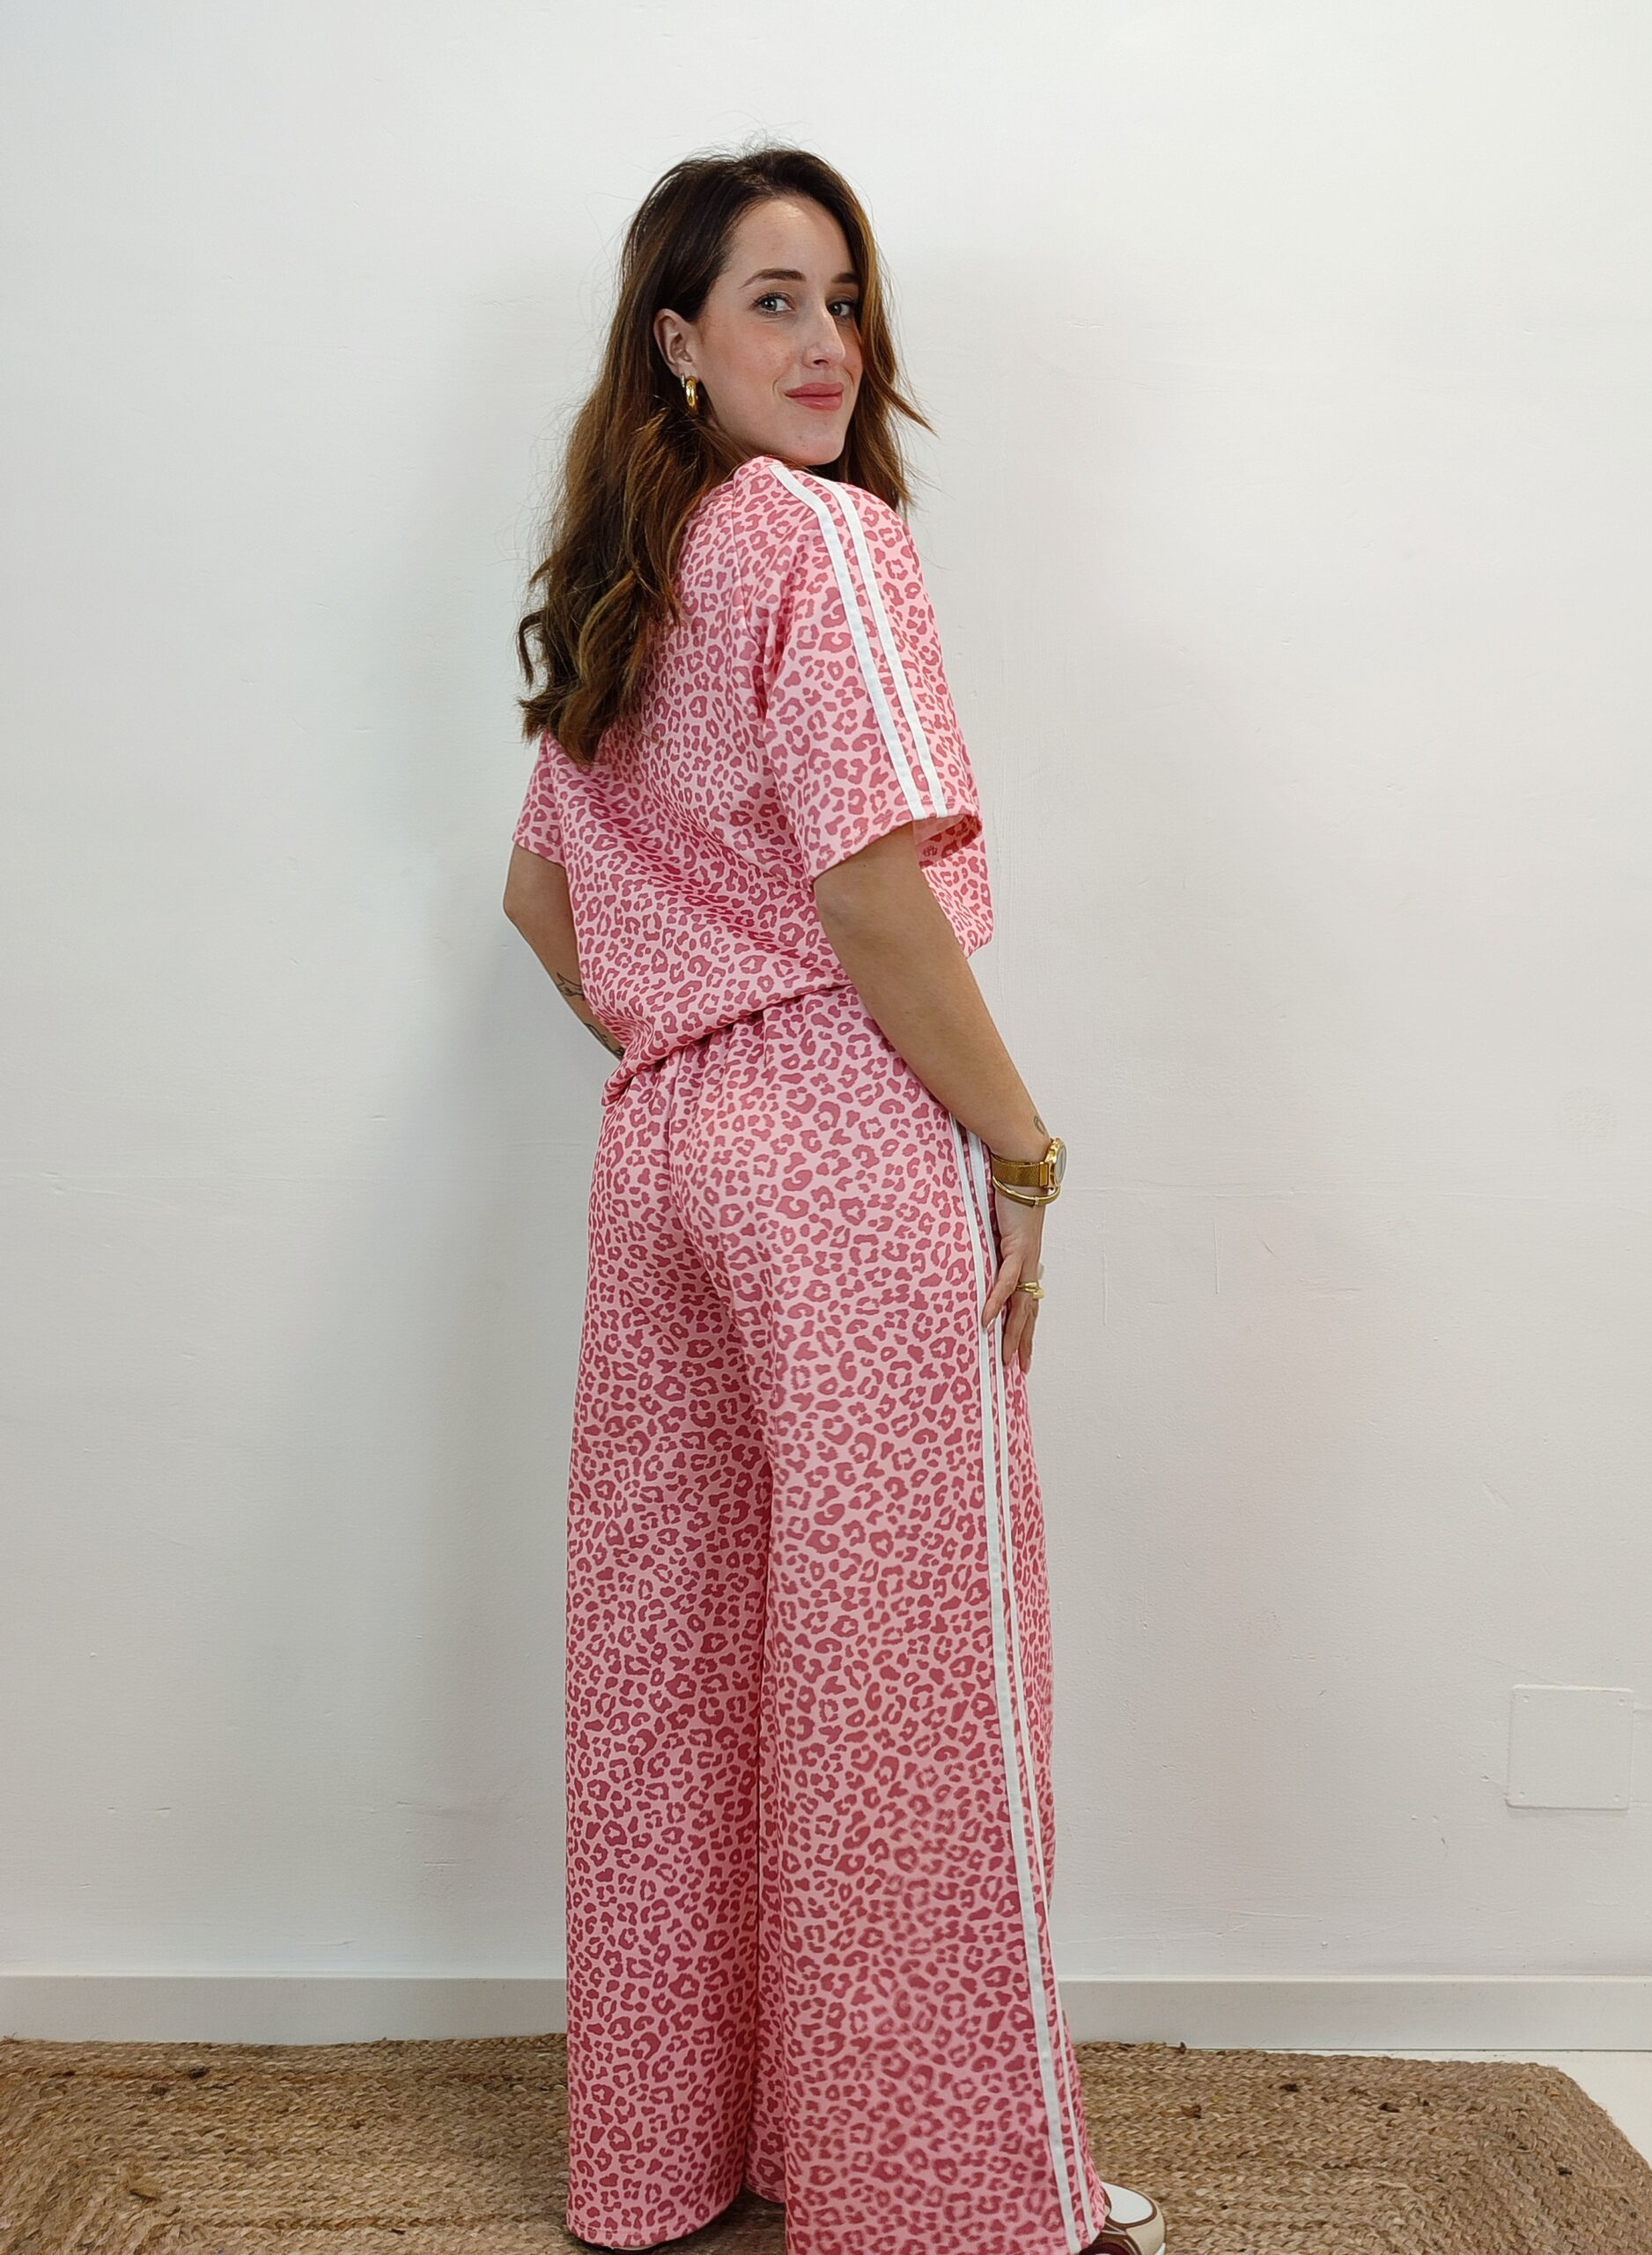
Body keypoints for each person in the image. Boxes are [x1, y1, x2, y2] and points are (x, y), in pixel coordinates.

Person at [503, 144, 1166, 2255]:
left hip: (665, 1152)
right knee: (908, 1676)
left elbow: (540, 896)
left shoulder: (634, 575)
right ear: (676, 342)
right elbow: (874, 891)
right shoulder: (823, 535)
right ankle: (948, 2192)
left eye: (844, 300)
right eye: (771, 301)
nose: (824, 344)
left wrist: (690, 1021)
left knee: (681, 1662)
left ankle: (669, 2158)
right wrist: (1026, 1148)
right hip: (839, 1136)